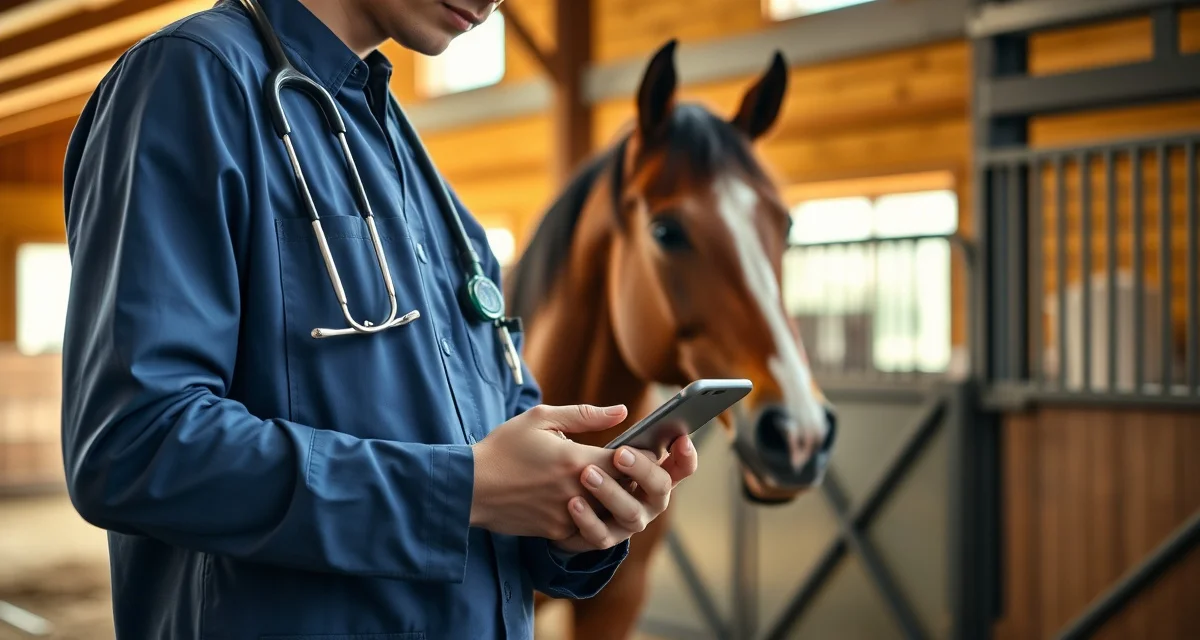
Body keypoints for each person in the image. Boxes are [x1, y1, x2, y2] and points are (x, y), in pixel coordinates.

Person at [58, 0, 700, 637]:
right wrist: (462, 491)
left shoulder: (416, 171)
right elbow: (135, 446)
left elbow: (500, 457)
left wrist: (580, 510)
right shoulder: (193, 80)